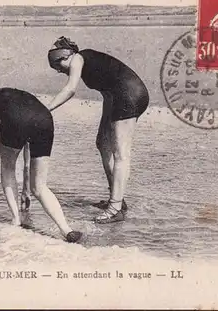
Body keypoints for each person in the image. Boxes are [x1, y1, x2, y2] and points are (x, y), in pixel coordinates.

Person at [46, 36, 149, 224]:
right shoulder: (86, 62)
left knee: (121, 154)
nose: (59, 71)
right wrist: (106, 125)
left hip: (130, 95)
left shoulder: (78, 58)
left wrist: (47, 109)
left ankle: (115, 208)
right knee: (102, 144)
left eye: (58, 66)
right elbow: (107, 90)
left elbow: (70, 89)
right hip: (118, 96)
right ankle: (117, 198)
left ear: (66, 56)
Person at [0, 87, 82, 243]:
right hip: (44, 119)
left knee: (7, 168)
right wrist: (27, 187)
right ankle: (67, 229)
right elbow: (27, 145)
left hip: (16, 120)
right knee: (40, 187)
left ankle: (16, 219)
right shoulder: (23, 97)